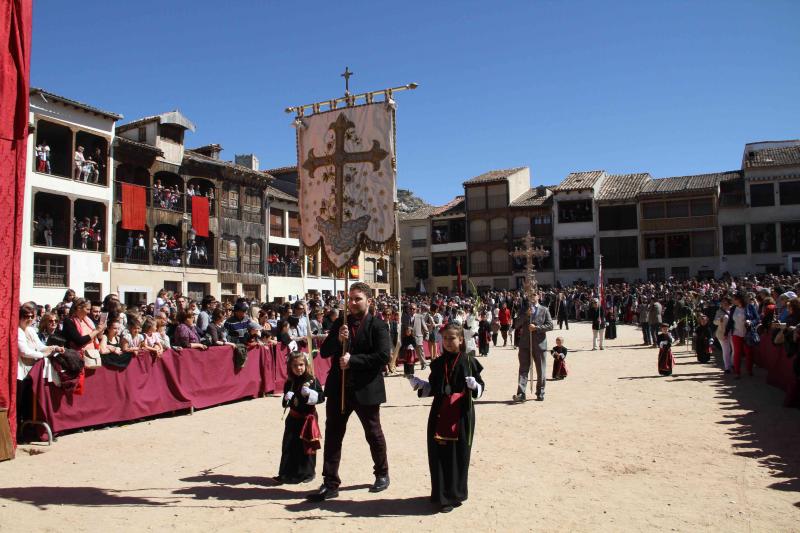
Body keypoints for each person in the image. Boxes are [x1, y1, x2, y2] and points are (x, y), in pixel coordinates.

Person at [308, 282, 391, 502]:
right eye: (350, 299)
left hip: (365, 389)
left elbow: (383, 355)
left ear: (368, 301)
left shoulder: (378, 325)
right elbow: (325, 352)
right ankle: (330, 482)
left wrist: (353, 360)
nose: (352, 303)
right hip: (339, 388)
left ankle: (382, 473)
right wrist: (338, 339)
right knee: (333, 435)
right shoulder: (340, 323)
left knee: (373, 433)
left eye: (357, 299)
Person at [408, 323, 484, 513]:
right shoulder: (438, 363)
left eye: (452, 338)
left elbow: (480, 388)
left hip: (461, 414)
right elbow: (434, 388)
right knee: (438, 453)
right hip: (440, 411)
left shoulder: (469, 361)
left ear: (461, 339)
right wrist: (421, 385)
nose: (448, 342)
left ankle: (454, 494)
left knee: (458, 454)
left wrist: (475, 386)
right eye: (445, 339)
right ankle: (441, 494)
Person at [276, 351, 325, 484]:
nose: (299, 368)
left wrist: (311, 394)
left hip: (307, 418)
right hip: (293, 418)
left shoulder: (312, 380)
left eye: (301, 365)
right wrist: (286, 398)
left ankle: (308, 473)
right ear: (290, 367)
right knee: (289, 444)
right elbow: (285, 404)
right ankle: (286, 472)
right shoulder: (289, 382)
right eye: (295, 365)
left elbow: (321, 398)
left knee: (307, 446)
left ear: (306, 365)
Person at [17, 304, 64, 439]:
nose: (29, 319)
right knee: (20, 404)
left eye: (32, 316)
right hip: (20, 372)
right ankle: (19, 433)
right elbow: (24, 351)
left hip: (32, 372)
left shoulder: (31, 330)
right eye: (26, 316)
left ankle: (29, 432)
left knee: (29, 404)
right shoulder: (18, 331)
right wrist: (42, 355)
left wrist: (54, 348)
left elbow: (40, 346)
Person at [512, 292, 553, 402]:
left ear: (538, 296)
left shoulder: (544, 310)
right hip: (525, 344)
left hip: (539, 345)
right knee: (523, 369)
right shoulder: (523, 309)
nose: (532, 297)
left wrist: (537, 328)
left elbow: (550, 325)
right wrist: (526, 315)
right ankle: (521, 393)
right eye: (530, 295)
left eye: (534, 294)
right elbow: (516, 324)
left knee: (541, 370)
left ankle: (540, 392)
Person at [726, 292, 759, 379]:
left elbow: (757, 319)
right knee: (737, 353)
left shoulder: (750, 307)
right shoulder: (733, 308)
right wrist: (726, 332)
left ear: (739, 299)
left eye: (734, 299)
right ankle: (737, 372)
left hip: (747, 334)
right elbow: (730, 322)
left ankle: (749, 370)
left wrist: (751, 322)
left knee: (749, 353)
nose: (733, 300)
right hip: (736, 333)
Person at [713, 297, 733, 374]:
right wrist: (719, 320)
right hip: (722, 333)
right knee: (726, 350)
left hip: (733, 332)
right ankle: (727, 367)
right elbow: (714, 322)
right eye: (722, 301)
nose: (724, 303)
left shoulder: (733, 309)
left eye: (725, 301)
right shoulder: (719, 311)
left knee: (734, 349)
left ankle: (732, 363)